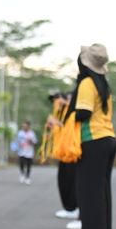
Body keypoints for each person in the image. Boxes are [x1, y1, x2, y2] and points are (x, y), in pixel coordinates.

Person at [67, 44, 116, 229]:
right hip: (108, 139)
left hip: (93, 140)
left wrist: (69, 117)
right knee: (101, 188)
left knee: (88, 188)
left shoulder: (87, 83)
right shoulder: (104, 85)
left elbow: (84, 113)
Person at [47, 92, 79, 220]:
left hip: (73, 153)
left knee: (72, 182)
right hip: (63, 154)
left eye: (59, 99)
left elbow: (73, 129)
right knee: (63, 181)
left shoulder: (75, 112)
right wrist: (54, 125)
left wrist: (59, 124)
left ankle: (74, 208)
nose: (57, 102)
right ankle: (68, 208)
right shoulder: (61, 113)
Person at [14, 120, 37, 185]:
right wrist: (16, 148)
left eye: (25, 126)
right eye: (23, 126)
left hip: (29, 152)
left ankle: (27, 177)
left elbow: (35, 142)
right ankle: (22, 174)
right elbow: (17, 141)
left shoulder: (32, 133)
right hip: (21, 151)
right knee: (21, 163)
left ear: (28, 126)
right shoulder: (20, 133)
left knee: (29, 165)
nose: (24, 127)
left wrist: (31, 141)